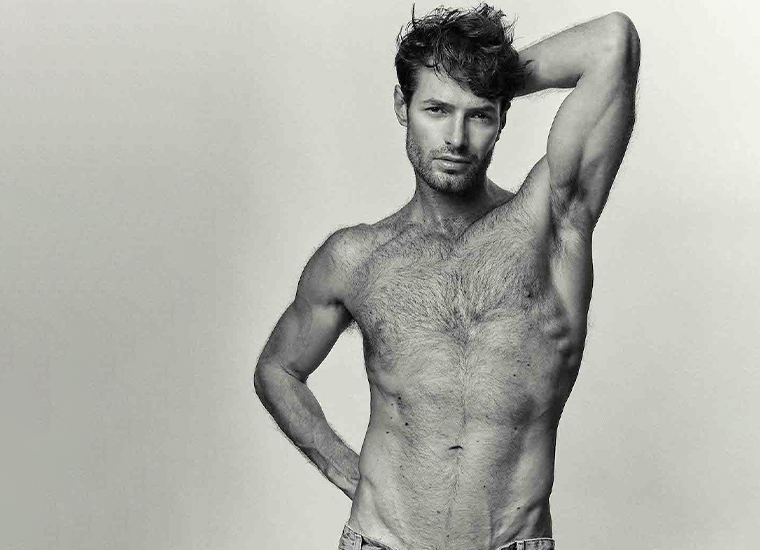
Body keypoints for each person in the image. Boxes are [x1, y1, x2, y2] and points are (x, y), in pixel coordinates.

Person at [255, 4, 640, 549]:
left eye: (478, 114)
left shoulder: (552, 224)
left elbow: (611, 43)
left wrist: (488, 76)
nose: (456, 138)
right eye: (436, 109)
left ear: (501, 118)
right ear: (402, 106)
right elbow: (278, 369)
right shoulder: (355, 258)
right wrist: (349, 474)